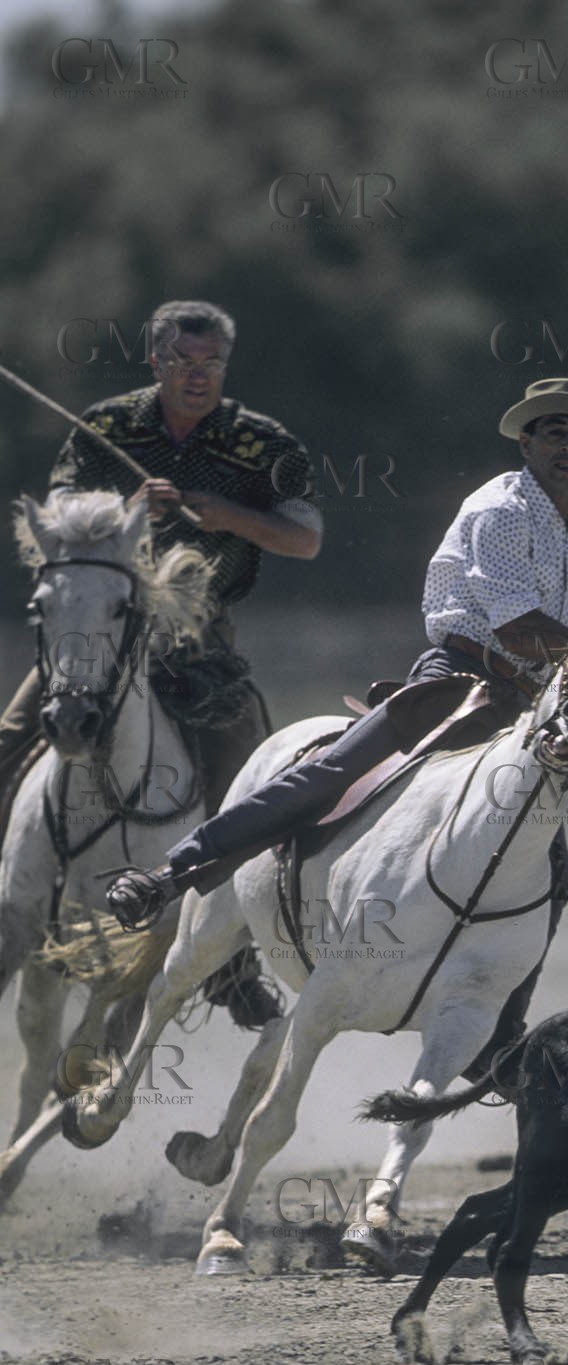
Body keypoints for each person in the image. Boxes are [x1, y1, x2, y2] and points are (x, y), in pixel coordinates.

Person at [106, 376, 568, 938]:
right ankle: (171, 874)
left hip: (530, 705)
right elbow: (519, 630)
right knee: (331, 773)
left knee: (550, 869)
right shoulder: (500, 506)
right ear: (527, 442)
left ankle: (505, 1011)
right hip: (458, 682)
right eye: (555, 432)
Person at [0, 299, 322, 1024]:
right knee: (10, 738)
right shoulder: (107, 425)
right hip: (99, 628)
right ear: (156, 361)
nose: (197, 375)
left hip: (200, 636)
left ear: (224, 367)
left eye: (210, 364)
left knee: (249, 781)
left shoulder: (258, 442)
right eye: (182, 361)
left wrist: (226, 513)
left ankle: (231, 964)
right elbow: (57, 519)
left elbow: (305, 539)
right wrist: (125, 508)